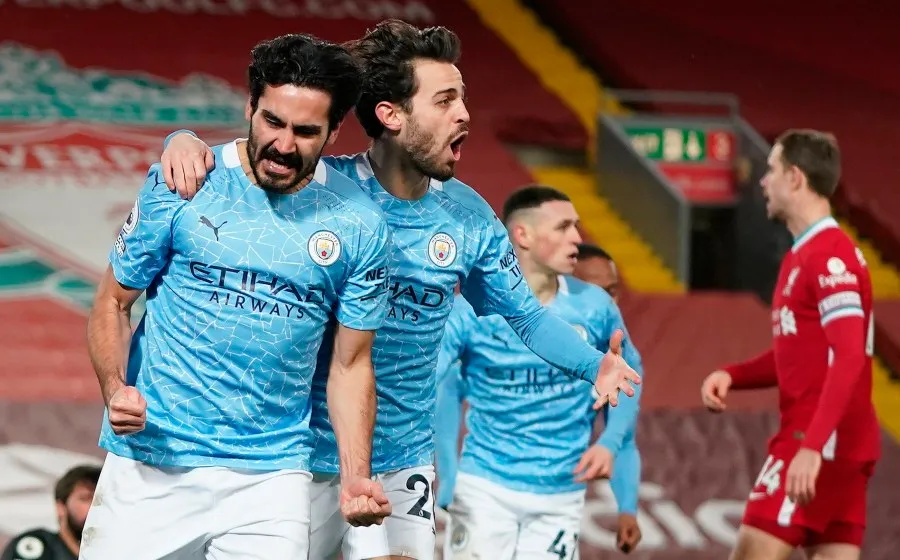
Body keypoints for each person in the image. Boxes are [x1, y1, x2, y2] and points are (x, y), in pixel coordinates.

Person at [158, 20, 641, 560]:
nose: (464, 114)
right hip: (302, 458)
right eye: (445, 100)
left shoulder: (469, 218)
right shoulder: (319, 188)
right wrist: (183, 141)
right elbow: (253, 163)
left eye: (463, 98)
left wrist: (592, 364)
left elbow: (526, 316)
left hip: (403, 462)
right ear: (391, 114)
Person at [80, 34, 394, 560]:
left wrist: (355, 476)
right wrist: (115, 389)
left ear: (335, 131)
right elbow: (113, 302)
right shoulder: (183, 183)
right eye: (273, 122)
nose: (285, 145)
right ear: (250, 107)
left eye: (306, 131)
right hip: (152, 463)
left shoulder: (361, 225)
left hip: (271, 479)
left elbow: (351, 364)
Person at [435, 186, 643, 559]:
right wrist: (447, 475)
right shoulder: (471, 310)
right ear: (522, 235)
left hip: (560, 494)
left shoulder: (595, 307)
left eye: (577, 227)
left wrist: (610, 443)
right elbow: (438, 386)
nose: (577, 238)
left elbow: (632, 374)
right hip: (485, 488)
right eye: (563, 227)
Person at [700, 129, 879, 560]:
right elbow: (803, 356)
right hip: (839, 445)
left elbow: (850, 354)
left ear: (795, 178)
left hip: (816, 440)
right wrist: (734, 374)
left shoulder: (828, 257)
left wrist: (812, 447)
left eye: (772, 170)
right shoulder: (806, 254)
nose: (763, 181)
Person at [1, 465, 101, 560]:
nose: (97, 506)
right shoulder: (36, 548)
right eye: (86, 498)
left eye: (101, 500)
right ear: (61, 507)